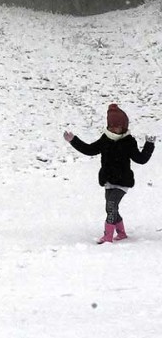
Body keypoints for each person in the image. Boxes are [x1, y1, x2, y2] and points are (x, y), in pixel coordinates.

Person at [64, 103, 155, 244]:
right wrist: (73, 141)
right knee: (111, 208)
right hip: (108, 180)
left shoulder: (128, 142)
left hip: (123, 181)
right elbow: (89, 150)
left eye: (117, 126)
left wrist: (149, 144)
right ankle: (122, 233)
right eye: (111, 126)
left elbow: (141, 159)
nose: (114, 129)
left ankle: (108, 236)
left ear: (123, 126)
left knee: (111, 205)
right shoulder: (105, 139)